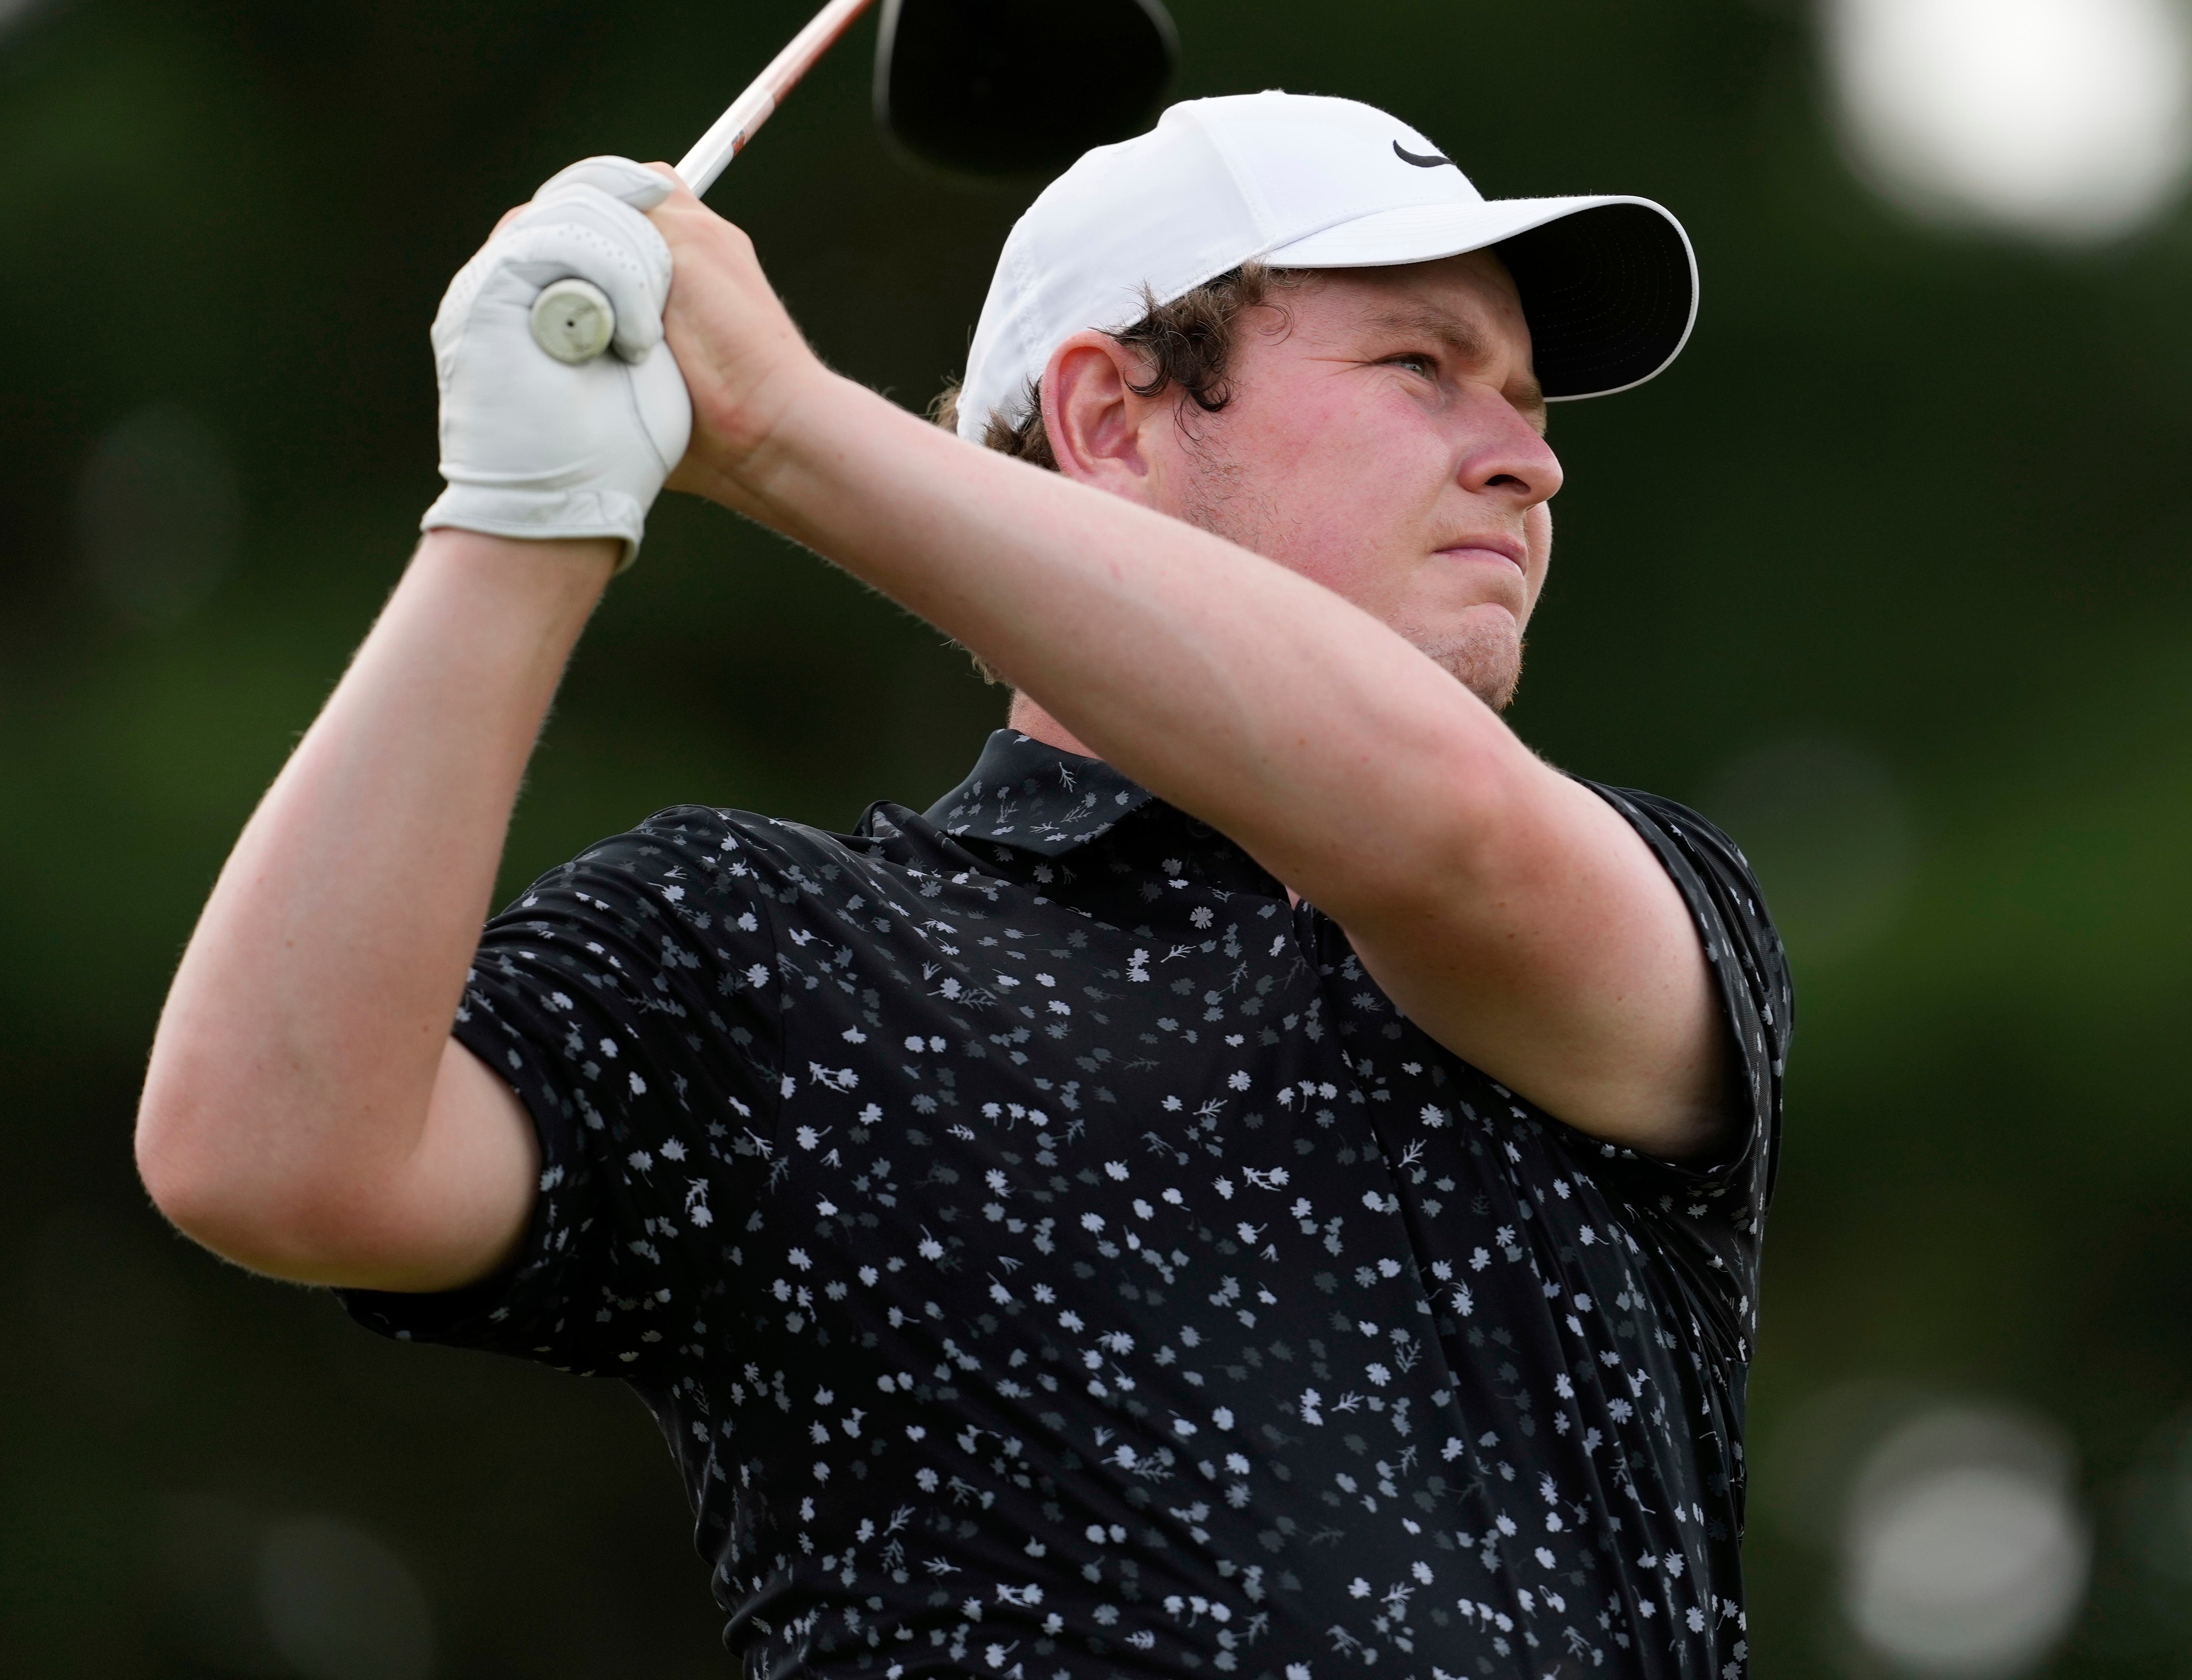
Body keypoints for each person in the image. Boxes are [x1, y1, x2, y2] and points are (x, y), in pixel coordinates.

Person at [135, 91, 1788, 1680]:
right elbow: (271, 1154)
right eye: (1425, 367)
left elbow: (1446, 830)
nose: (1528, 462)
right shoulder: (764, 947)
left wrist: (781, 424)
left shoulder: (1635, 893)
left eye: (1530, 402)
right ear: (1107, 421)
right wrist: (524, 510)